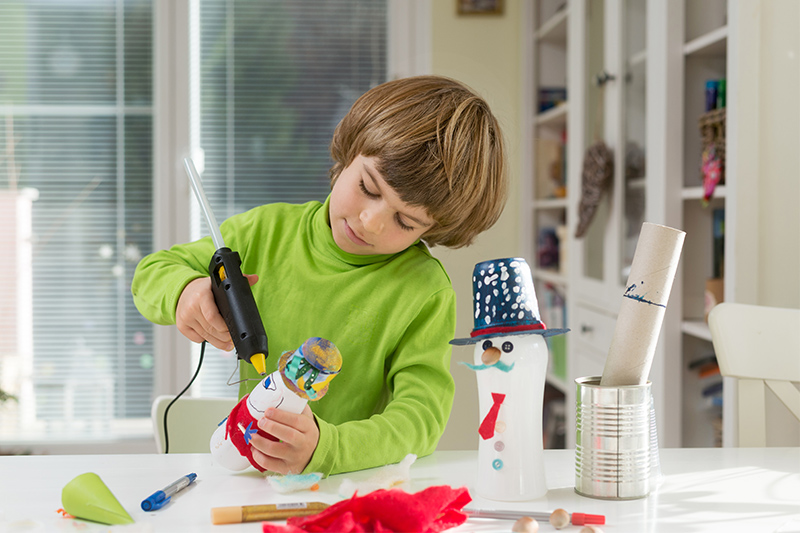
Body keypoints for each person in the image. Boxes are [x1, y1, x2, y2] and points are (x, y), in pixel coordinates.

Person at [132, 75, 508, 477]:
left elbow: (421, 419)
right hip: (253, 480)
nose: (371, 222)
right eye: (368, 187)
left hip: (350, 484)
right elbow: (151, 274)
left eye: (405, 221)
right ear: (349, 153)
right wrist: (184, 292)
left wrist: (329, 449)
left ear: (431, 230)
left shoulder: (424, 290)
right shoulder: (264, 232)